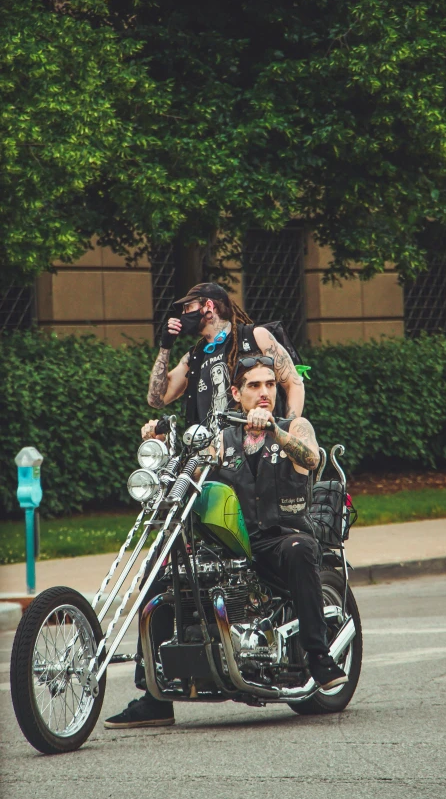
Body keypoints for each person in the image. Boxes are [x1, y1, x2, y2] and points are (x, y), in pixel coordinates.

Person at [104, 358, 347, 729]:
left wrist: (276, 433)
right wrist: (162, 443)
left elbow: (311, 458)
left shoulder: (294, 426)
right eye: (253, 386)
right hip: (236, 543)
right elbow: (192, 473)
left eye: (269, 384)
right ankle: (155, 695)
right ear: (236, 394)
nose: (264, 392)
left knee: (300, 550)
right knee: (163, 571)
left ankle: (319, 656)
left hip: (282, 538)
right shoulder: (222, 439)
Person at [145, 282, 305, 428]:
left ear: (208, 306)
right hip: (210, 455)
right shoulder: (194, 356)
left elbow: (294, 384)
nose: (184, 314)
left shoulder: (255, 337)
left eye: (188, 307)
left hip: (253, 450)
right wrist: (165, 347)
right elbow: (157, 399)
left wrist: (288, 431)